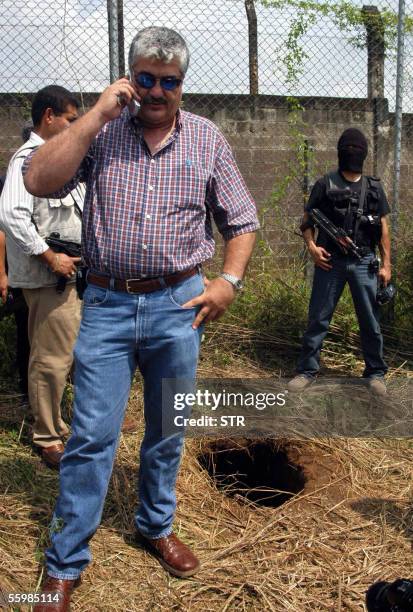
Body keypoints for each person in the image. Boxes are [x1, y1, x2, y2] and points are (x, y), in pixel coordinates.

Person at [23, 27, 258, 611]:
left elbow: (242, 219)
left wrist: (228, 281)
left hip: (178, 307)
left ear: (182, 84)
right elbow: (38, 180)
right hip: (104, 306)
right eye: (146, 78)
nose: (157, 91)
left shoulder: (206, 139)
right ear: (130, 76)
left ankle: (155, 526)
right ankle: (63, 562)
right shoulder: (101, 133)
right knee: (91, 437)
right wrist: (96, 114)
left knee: (166, 429)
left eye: (169, 82)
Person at [0, 85, 84, 468]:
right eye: (70, 119)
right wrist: (51, 258)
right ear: (49, 116)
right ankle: (47, 437)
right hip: (51, 277)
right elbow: (13, 214)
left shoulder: (61, 159)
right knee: (50, 359)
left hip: (72, 274)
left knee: (71, 356)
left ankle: (65, 424)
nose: (74, 126)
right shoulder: (29, 160)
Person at [288, 128, 391, 395]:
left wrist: (387, 264)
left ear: (365, 153)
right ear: (340, 151)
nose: (352, 152)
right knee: (318, 317)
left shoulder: (374, 188)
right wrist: (312, 247)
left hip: (364, 260)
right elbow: (307, 221)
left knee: (370, 319)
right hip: (329, 261)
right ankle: (306, 371)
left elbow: (383, 227)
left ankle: (375, 372)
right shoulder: (325, 184)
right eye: (348, 147)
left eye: (357, 148)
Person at [0, 125, 35, 398]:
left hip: (38, 269)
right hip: (23, 267)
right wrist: (2, 274)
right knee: (25, 328)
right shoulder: (13, 176)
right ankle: (26, 390)